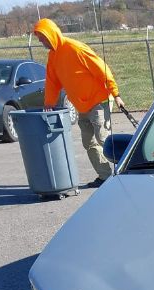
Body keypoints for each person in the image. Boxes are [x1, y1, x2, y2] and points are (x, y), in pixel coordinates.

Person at [32, 18, 126, 188]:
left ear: (51, 34)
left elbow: (102, 69)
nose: (40, 41)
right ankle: (105, 176)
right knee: (89, 142)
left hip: (99, 100)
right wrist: (49, 103)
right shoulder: (53, 57)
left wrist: (116, 94)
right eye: (39, 37)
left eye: (42, 37)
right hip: (82, 106)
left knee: (103, 138)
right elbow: (52, 82)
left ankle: (128, 170)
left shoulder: (75, 48)